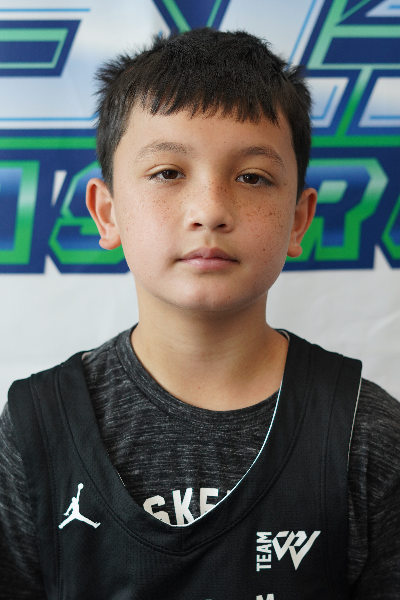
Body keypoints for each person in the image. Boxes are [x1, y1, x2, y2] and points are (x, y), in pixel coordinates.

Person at [1, 28, 399, 599]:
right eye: (168, 172)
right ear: (107, 213)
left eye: (252, 177)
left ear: (298, 220)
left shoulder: (368, 433)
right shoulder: (33, 429)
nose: (210, 210)